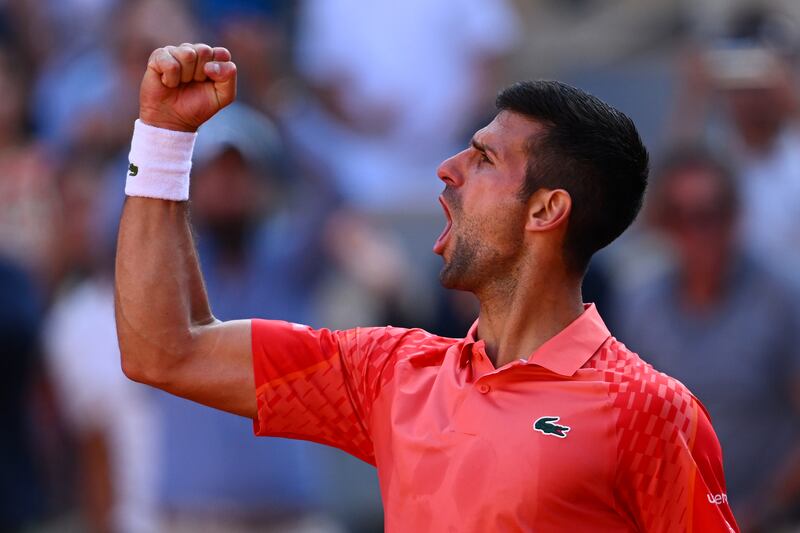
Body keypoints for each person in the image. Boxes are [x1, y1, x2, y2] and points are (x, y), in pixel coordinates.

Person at [115, 43, 739, 531]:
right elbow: (166, 349)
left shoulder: (650, 411)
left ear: (547, 210)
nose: (448, 168)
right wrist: (165, 139)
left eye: (484, 158)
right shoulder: (390, 373)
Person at [618, 148, 800, 531]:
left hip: (769, 518)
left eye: (707, 215)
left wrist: (760, 511)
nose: (693, 232)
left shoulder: (781, 299)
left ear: (733, 216)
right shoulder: (642, 306)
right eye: (677, 216)